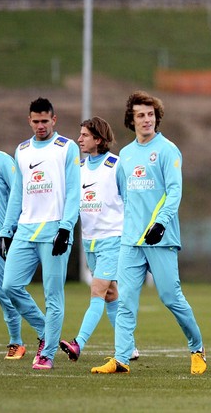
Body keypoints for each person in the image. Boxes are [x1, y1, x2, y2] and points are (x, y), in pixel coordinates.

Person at [91, 90, 206, 375]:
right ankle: (121, 359)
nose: (146, 120)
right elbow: (124, 195)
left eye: (151, 115)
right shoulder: (126, 155)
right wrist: (128, 227)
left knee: (170, 297)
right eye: (140, 115)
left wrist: (160, 223)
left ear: (157, 117)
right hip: (131, 241)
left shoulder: (168, 150)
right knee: (126, 300)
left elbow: (175, 191)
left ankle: (197, 348)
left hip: (161, 238)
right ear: (131, 120)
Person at [0, 97, 80, 370]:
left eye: (45, 120)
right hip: (24, 230)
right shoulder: (21, 150)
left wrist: (66, 228)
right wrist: (6, 230)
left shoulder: (66, 148)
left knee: (52, 295)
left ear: (54, 120)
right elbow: (16, 195)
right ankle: (46, 331)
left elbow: (73, 192)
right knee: (9, 285)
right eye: (36, 121)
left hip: (54, 231)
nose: (40, 126)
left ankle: (46, 354)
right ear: (29, 120)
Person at [59, 117, 139, 363]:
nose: (79, 139)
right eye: (80, 134)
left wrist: (130, 236)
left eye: (85, 135)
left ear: (99, 139)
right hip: (90, 242)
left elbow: (132, 202)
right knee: (111, 295)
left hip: (113, 240)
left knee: (97, 292)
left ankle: (78, 343)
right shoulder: (79, 168)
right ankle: (130, 348)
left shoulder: (116, 165)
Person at [0, 143, 25, 360]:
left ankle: (16, 342)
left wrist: (13, 232)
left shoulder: (1, 160)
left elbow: (19, 196)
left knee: (5, 294)